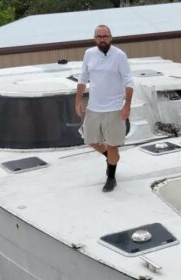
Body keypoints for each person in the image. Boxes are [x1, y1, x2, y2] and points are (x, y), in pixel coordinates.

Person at [76, 24, 134, 192]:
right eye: (99, 36)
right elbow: (83, 77)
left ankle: (111, 177)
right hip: (94, 108)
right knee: (91, 140)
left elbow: (128, 81)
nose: (102, 39)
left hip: (114, 108)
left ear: (111, 37)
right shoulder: (89, 54)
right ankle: (110, 157)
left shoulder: (119, 56)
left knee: (113, 144)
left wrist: (127, 104)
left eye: (105, 36)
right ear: (95, 38)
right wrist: (78, 100)